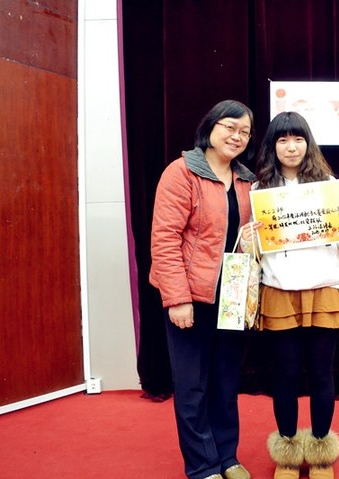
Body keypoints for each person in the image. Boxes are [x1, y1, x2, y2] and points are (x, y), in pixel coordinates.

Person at [240, 111, 339, 479]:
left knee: (322, 374)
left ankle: (322, 455)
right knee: (285, 376)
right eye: (283, 140)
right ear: (272, 146)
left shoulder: (327, 186)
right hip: (279, 291)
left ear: (308, 144)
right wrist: (248, 240)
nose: (291, 147)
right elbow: (257, 249)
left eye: (298, 139)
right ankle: (288, 455)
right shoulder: (259, 190)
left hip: (324, 289)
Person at [149, 99, 256, 479]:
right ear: (210, 127)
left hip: (232, 296)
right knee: (192, 386)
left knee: (226, 383)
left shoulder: (247, 180)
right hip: (191, 295)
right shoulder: (181, 172)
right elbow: (165, 240)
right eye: (230, 127)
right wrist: (177, 299)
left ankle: (227, 458)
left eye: (245, 132)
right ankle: (202, 465)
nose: (237, 136)